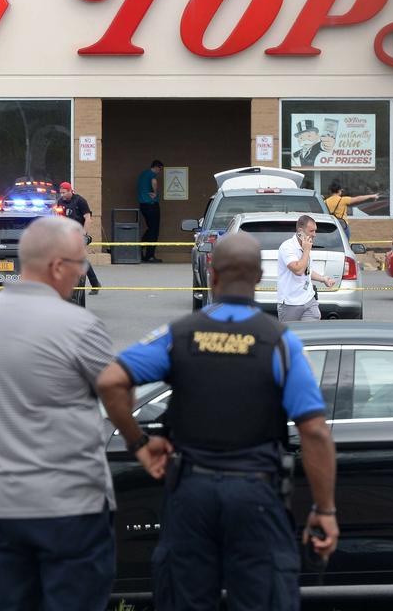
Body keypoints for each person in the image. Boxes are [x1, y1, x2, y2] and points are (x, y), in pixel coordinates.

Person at [97, 231, 339, 611]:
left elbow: (111, 381)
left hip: (191, 494)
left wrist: (139, 444)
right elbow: (314, 431)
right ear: (259, 278)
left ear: (211, 273)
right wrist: (324, 510)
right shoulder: (280, 342)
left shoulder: (179, 334)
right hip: (255, 497)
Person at [0, 216, 117, 611]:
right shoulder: (78, 325)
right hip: (69, 505)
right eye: (81, 264)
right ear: (57, 267)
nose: (82, 273)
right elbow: (118, 392)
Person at [277, 214, 335, 322]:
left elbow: (306, 270)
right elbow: (298, 270)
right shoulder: (287, 247)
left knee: (312, 334)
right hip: (290, 303)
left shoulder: (306, 245)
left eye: (315, 231)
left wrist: (323, 279)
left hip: (309, 300)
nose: (315, 235)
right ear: (300, 231)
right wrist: (307, 250)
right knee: (290, 336)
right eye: (311, 231)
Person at [56, 181, 102, 295]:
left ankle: (94, 284)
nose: (62, 195)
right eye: (60, 193)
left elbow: (88, 218)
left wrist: (84, 234)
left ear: (70, 191)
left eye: (64, 193)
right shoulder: (60, 201)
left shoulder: (80, 201)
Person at [138, 159, 164, 263]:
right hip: (151, 205)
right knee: (154, 230)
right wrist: (155, 191)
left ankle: (140, 247)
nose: (159, 172)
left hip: (143, 205)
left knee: (150, 228)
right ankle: (150, 255)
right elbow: (154, 181)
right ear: (157, 167)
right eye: (160, 169)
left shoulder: (143, 174)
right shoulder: (152, 175)